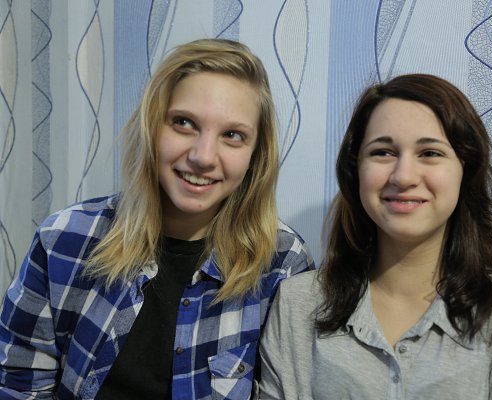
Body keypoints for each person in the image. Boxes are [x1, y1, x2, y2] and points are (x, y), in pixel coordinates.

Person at [0, 38, 313, 400]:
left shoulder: (283, 263)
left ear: (255, 155)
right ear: (152, 128)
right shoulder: (64, 241)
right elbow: (19, 386)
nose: (203, 156)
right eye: (183, 123)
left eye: (232, 135)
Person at [259, 74, 492, 399]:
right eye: (383, 152)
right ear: (356, 171)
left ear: (465, 170)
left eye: (430, 153)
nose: (404, 176)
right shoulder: (298, 304)